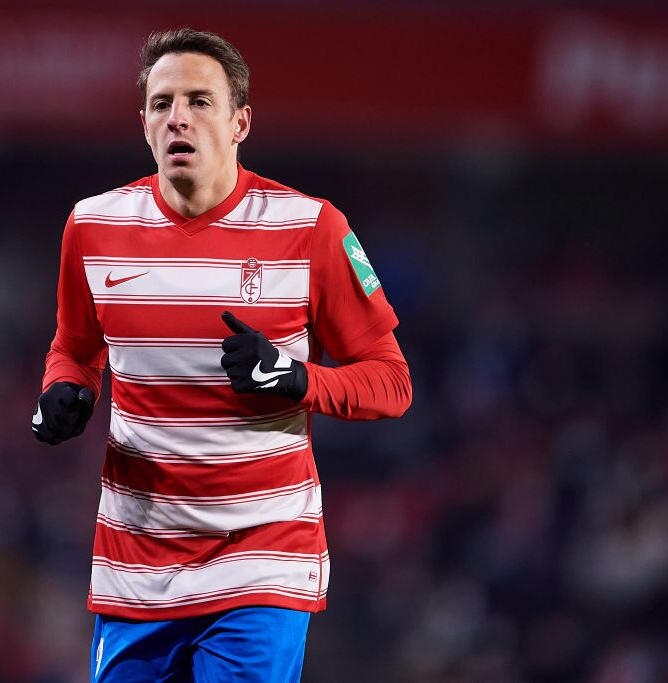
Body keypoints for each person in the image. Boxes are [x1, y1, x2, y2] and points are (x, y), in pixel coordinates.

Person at [32, 28, 412, 682]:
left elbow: (391, 382)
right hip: (137, 563)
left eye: (199, 101)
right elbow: (74, 346)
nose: (177, 115)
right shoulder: (91, 226)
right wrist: (64, 394)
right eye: (161, 103)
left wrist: (297, 379)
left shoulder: (312, 228)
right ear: (144, 124)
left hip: (262, 558)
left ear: (240, 122)